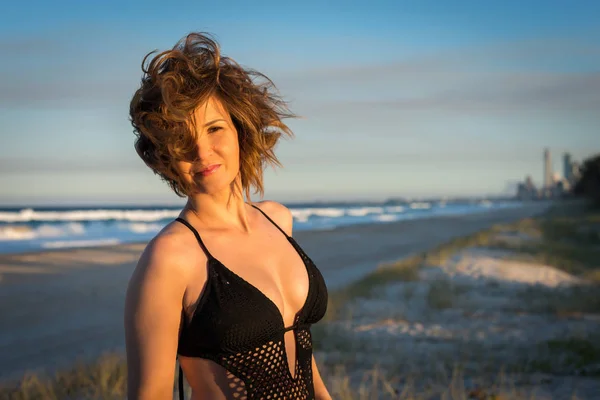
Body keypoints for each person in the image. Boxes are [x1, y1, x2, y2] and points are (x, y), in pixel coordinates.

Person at [124, 32, 331, 400]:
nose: (202, 151)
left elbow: (300, 348)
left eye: (214, 128)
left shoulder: (277, 220)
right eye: (181, 139)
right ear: (164, 156)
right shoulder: (171, 258)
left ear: (239, 128)